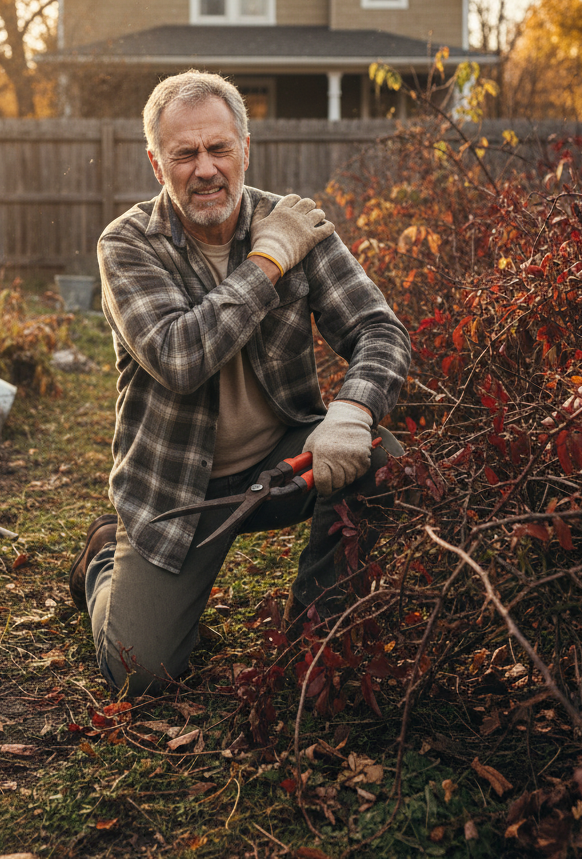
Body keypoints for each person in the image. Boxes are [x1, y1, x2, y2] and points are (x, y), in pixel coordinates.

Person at [69, 70, 410, 696]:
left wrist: (353, 411)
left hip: (279, 467)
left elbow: (380, 329)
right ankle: (101, 562)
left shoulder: (295, 224)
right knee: (139, 674)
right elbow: (180, 358)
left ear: (245, 149)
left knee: (380, 457)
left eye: (219, 148)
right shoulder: (128, 244)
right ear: (157, 164)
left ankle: (313, 644)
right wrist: (267, 262)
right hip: (175, 489)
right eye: (185, 154)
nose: (205, 169)